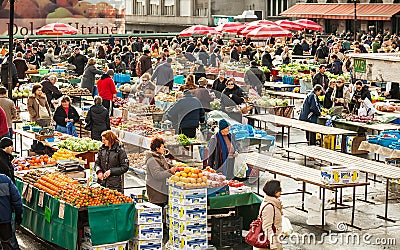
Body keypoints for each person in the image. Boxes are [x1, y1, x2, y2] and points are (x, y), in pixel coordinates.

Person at [145, 137, 176, 207]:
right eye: (162, 147)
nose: (164, 149)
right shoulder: (152, 160)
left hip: (162, 189)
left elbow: (165, 166)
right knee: (158, 209)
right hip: (156, 191)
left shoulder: (160, 156)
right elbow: (157, 175)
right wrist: (170, 171)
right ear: (157, 148)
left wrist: (173, 167)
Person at [255, 179, 283, 250]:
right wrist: (273, 244)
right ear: (274, 191)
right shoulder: (269, 207)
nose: (281, 191)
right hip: (270, 244)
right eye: (279, 189)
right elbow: (267, 227)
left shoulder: (272, 203)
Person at [0, 173, 23, 250]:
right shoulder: (5, 179)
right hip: (5, 220)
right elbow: (17, 201)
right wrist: (18, 215)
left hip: (5, 219)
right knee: (7, 243)